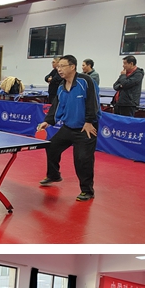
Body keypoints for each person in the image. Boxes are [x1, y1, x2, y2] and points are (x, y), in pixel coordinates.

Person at [37, 54, 101, 202]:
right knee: (51, 147)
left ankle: (87, 191)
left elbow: (93, 101)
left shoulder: (85, 81)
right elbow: (57, 105)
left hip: (86, 127)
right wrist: (48, 121)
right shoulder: (61, 86)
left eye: (62, 66)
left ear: (72, 67)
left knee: (83, 159)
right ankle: (54, 175)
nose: (59, 69)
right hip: (68, 127)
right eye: (58, 66)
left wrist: (89, 121)